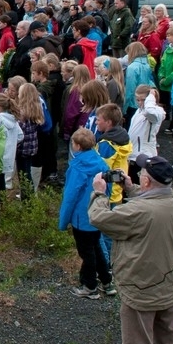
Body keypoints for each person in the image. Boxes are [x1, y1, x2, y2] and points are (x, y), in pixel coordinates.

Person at [88, 155, 173, 344]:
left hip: (140, 290)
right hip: (169, 287)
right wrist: (132, 188)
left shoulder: (139, 212)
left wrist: (99, 193)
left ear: (147, 180)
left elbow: (100, 218)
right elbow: (153, 202)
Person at [59, 128, 113, 299]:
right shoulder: (102, 163)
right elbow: (108, 189)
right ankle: (106, 281)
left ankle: (90, 286)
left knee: (86, 252)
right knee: (96, 246)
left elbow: (70, 196)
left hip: (81, 218)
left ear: (76, 145)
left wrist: (63, 221)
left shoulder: (77, 167)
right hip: (98, 214)